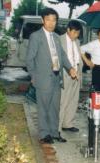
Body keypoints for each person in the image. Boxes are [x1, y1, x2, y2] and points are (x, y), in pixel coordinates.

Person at [26, 8, 77, 144]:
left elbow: (62, 55)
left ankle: (54, 132)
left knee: (55, 107)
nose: (51, 23)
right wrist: (33, 77)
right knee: (43, 107)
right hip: (42, 78)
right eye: (48, 19)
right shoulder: (36, 36)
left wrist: (70, 68)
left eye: (54, 20)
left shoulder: (56, 37)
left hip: (56, 77)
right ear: (43, 20)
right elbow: (29, 59)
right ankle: (44, 134)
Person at [59, 20, 83, 133]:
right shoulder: (60, 40)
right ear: (68, 30)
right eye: (74, 32)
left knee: (73, 100)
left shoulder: (77, 42)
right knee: (62, 101)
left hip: (77, 74)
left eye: (78, 33)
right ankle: (57, 127)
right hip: (65, 74)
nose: (76, 35)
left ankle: (67, 124)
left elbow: (78, 58)